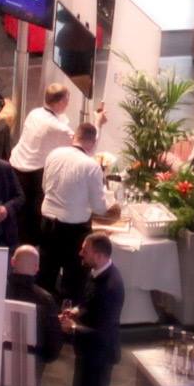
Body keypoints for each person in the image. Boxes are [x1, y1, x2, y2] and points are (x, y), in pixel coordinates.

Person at [39, 123, 116, 303]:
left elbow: (44, 187)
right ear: (93, 142)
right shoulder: (91, 166)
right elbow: (99, 207)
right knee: (74, 280)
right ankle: (68, 314)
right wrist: (112, 206)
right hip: (74, 230)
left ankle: (43, 313)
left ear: (75, 136)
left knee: (46, 274)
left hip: (47, 222)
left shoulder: (54, 154)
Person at [11, 84, 92, 246]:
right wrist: (98, 122)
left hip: (15, 167)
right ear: (61, 102)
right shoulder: (57, 127)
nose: (68, 103)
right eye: (67, 100)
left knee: (19, 214)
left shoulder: (34, 113)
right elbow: (84, 144)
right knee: (34, 217)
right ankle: (34, 248)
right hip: (34, 174)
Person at [59, 232, 124, 386]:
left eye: (85, 251)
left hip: (99, 356)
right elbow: (90, 303)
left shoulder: (110, 287)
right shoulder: (96, 272)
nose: (80, 253)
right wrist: (75, 311)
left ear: (99, 256)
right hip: (88, 352)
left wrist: (73, 327)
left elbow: (102, 333)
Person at [6, 246, 63, 386]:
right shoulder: (45, 300)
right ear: (37, 268)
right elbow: (53, 346)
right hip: (30, 368)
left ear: (12, 262)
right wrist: (42, 359)